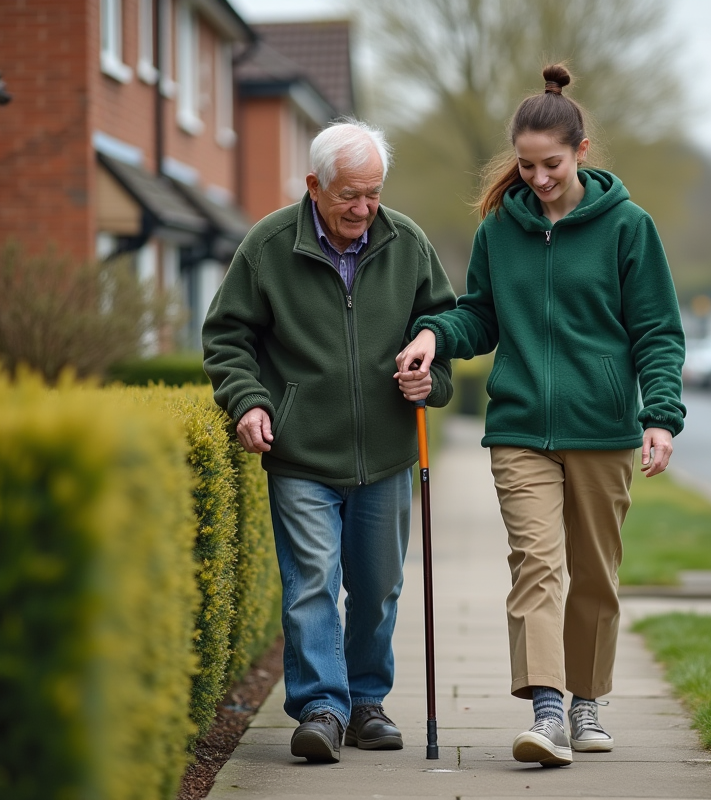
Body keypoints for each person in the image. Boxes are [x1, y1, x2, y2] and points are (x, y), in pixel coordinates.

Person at [395, 65, 685, 767]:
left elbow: (657, 331)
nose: (537, 178)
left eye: (550, 164)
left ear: (581, 152)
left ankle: (587, 701)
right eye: (525, 166)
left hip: (604, 428)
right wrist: (436, 335)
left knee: (593, 573)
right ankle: (548, 711)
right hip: (522, 428)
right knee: (537, 565)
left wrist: (661, 416)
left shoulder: (628, 229)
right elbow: (482, 317)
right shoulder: (502, 231)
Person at [203, 119, 456, 764]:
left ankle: (368, 703)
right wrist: (250, 401)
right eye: (350, 195)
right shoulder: (267, 247)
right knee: (311, 580)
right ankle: (320, 707)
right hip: (302, 455)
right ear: (314, 186)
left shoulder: (407, 243)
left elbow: (445, 322)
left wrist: (432, 373)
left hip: (389, 453)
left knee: (377, 587)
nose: (364, 209)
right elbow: (227, 336)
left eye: (373, 193)